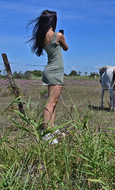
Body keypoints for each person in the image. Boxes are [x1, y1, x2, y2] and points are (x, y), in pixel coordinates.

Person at [28, 10, 68, 143]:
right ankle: (46, 134)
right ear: (53, 21)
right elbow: (66, 48)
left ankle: (51, 128)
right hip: (55, 71)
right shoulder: (58, 35)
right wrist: (63, 38)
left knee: (53, 102)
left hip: (50, 70)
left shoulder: (42, 36)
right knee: (51, 103)